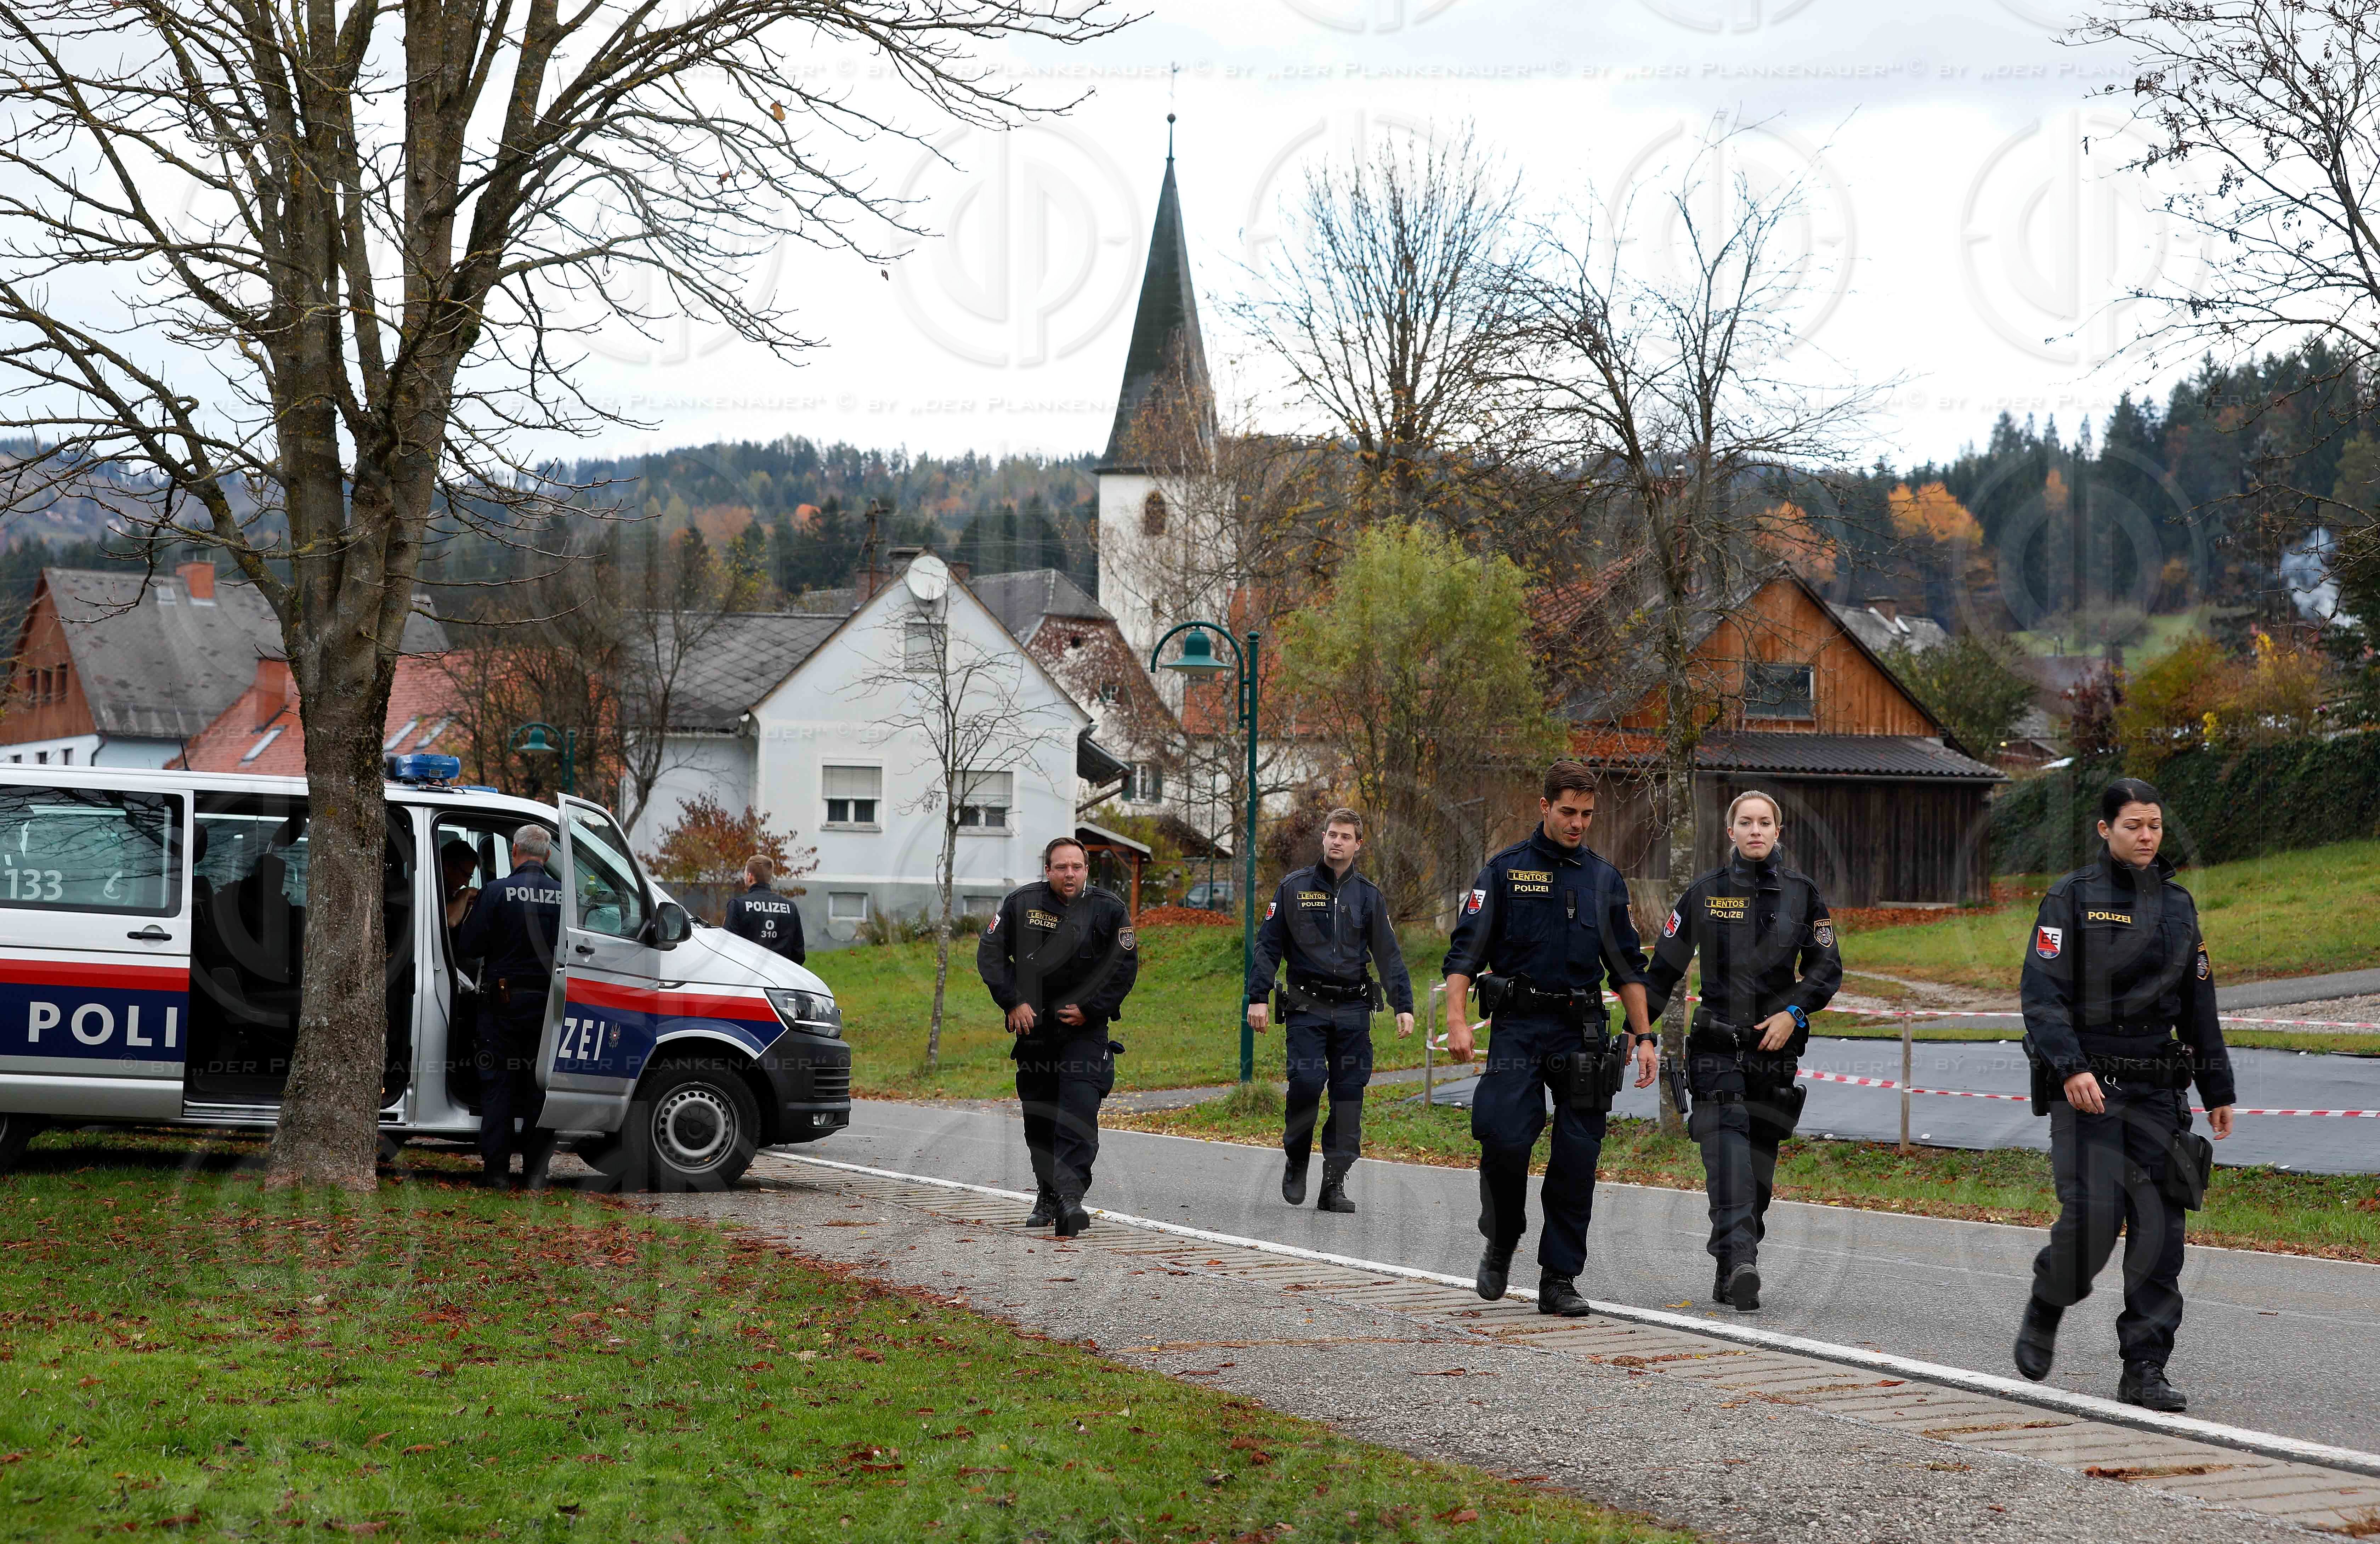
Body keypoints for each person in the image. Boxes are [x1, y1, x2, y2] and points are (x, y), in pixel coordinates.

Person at [2013, 777, 2235, 1413]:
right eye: (2134, 825)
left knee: (2161, 1236)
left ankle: (2145, 1368)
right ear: (2105, 829)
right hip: (2089, 1088)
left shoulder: (2179, 905)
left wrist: (2217, 1086)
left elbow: (2199, 1003)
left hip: (2159, 1091)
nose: (2146, 836)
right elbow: (2042, 995)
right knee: (2092, 1223)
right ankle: (2049, 1300)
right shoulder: (2071, 898)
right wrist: (2070, 1068)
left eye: (2155, 826)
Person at [1443, 760, 1659, 1317]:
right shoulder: (1505, 871)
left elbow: (1627, 967)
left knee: (1577, 1157)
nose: (1578, 823)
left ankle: (1559, 1278)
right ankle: (1502, 1236)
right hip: (1519, 1028)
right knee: (1505, 1139)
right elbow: (1465, 954)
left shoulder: (1604, 880)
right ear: (1545, 807)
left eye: (1587, 814)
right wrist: (1457, 1020)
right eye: (1568, 812)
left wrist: (1645, 1036)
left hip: (1581, 1031)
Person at [1642, 791, 1841, 1313]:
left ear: (1778, 831)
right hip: (1715, 1051)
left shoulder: (1802, 895)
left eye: (1765, 822)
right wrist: (1637, 1033)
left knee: (1758, 1177)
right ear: (1730, 832)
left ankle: (1731, 1268)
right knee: (1728, 1161)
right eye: (1746, 823)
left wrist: (1793, 1011)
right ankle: (1741, 1263)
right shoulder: (1705, 893)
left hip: (1774, 1056)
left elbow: (1826, 968)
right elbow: (1662, 970)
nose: (1756, 831)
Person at [1246, 807, 1415, 1213]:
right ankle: (1297, 1157)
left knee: (1348, 1096)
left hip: (1354, 1009)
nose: (1337, 841)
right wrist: (1258, 996)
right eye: (1332, 834)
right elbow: (1268, 946)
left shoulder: (1369, 896)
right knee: (1306, 1084)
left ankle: (1334, 1182)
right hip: (1307, 1006)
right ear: (1323, 838)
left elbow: (1388, 954)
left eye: (1346, 836)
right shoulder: (1293, 887)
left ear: (1359, 844)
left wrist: (1403, 1005)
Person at [977, 836, 1140, 1237]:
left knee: (1078, 1111)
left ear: (1086, 870)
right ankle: (1047, 1194)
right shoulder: (1022, 904)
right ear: (1047, 870)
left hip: (1085, 1031)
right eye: (1061, 867)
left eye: (1077, 867)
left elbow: (1124, 967)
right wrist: (1013, 1001)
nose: (1070, 874)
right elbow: (991, 953)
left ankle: (1070, 1199)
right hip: (1034, 1028)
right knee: (1039, 1118)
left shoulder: (1108, 909)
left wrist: (1091, 1008)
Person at [453, 824, 567, 1190]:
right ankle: (536, 1174)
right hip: (549, 1008)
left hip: (502, 1005)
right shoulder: (564, 896)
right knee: (540, 1089)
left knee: (498, 1087)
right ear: (547, 856)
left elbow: (469, 946)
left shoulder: (496, 891)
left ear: (515, 851)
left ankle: (497, 1174)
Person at [723, 854, 805, 963]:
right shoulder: (791, 908)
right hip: (780, 972)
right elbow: (799, 955)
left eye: (745, 874)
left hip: (747, 971)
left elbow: (727, 948)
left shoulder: (738, 906)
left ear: (750, 877)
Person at [440, 839, 481, 930]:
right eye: (465, 875)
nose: (466, 884)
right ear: (448, 866)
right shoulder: (430, 893)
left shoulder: (448, 895)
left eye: (469, 878)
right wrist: (466, 894)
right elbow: (450, 922)